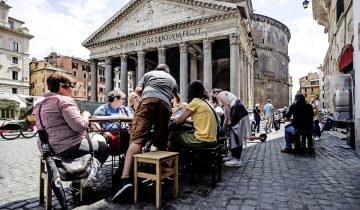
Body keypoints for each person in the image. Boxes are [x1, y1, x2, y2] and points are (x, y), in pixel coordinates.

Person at [112, 64, 181, 203]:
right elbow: (178, 99)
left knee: (136, 140)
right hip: (165, 105)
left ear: (157, 69)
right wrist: (175, 104)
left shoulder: (149, 74)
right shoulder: (171, 79)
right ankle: (162, 174)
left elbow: (138, 90)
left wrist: (145, 98)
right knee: (161, 141)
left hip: (147, 102)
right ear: (166, 71)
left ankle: (125, 180)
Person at [32, 71, 110, 190]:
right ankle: (87, 179)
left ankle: (82, 177)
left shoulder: (38, 103)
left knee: (94, 141)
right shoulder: (64, 101)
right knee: (104, 148)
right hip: (66, 146)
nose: (72, 90)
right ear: (62, 87)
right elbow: (79, 126)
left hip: (46, 147)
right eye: (71, 86)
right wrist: (85, 115)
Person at [170, 80, 217, 149]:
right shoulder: (206, 101)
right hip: (212, 139)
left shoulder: (195, 101)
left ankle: (176, 158)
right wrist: (190, 121)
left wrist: (174, 118)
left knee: (174, 133)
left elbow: (179, 120)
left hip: (202, 140)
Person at [212, 89, 251, 167]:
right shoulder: (224, 98)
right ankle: (233, 156)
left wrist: (229, 120)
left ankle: (237, 160)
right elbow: (226, 115)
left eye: (213, 95)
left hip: (239, 113)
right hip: (237, 113)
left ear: (216, 93)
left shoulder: (221, 94)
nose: (213, 98)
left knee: (236, 136)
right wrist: (223, 129)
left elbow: (227, 106)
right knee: (232, 135)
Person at [93, 90, 132, 156]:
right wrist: (103, 132)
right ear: (115, 99)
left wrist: (125, 117)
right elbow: (94, 122)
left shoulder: (124, 109)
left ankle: (126, 157)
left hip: (125, 132)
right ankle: (126, 157)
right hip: (111, 134)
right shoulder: (104, 108)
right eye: (122, 99)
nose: (123, 101)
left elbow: (132, 118)